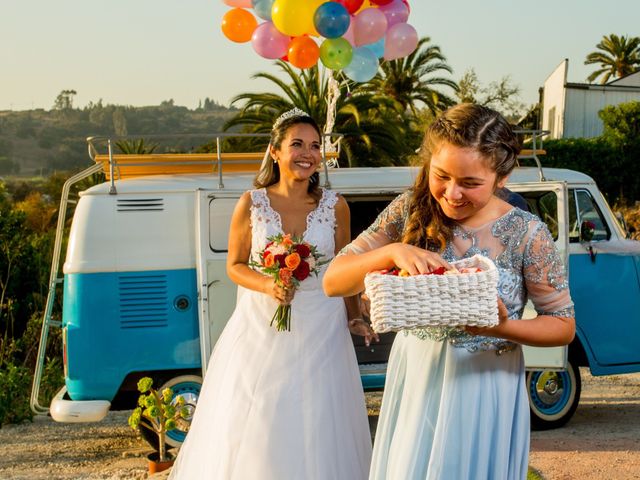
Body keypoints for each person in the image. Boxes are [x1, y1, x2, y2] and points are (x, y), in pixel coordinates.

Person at [323, 103, 575, 480]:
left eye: (470, 183)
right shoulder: (408, 210)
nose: (452, 194)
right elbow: (334, 281)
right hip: (417, 379)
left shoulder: (527, 232)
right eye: (441, 176)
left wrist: (499, 328)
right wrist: (392, 251)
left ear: (502, 176)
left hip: (486, 385)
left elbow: (562, 324)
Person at [169, 108, 376, 479]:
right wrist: (268, 284)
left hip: (322, 328)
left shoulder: (335, 206)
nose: (307, 153)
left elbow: (344, 269)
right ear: (275, 151)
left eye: (315, 146)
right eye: (297, 144)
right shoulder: (253, 203)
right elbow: (234, 265)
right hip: (262, 327)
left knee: (319, 417)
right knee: (263, 411)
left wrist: (355, 316)